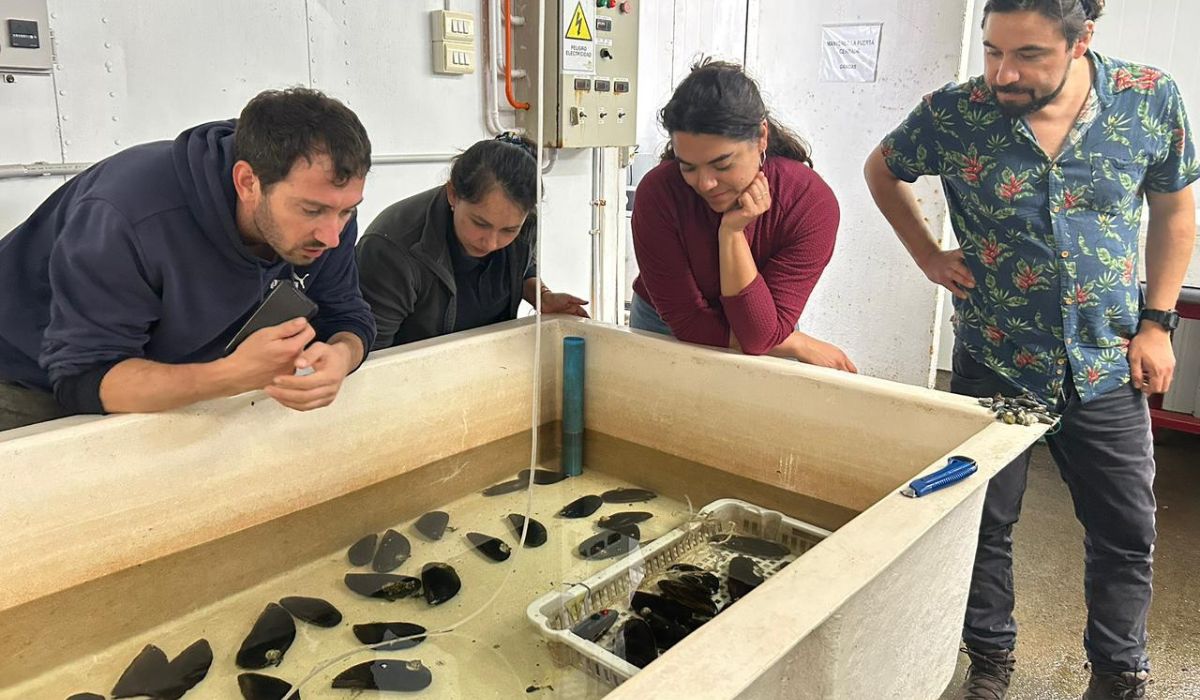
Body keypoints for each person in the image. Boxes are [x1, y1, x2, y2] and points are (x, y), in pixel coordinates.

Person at [863, 1, 1195, 697]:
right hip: (996, 356)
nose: (1002, 73)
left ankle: (1117, 672)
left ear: (1082, 42)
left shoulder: (1148, 99)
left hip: (1107, 362)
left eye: (1029, 56)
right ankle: (989, 659)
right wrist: (926, 254)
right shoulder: (955, 114)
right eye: (992, 51)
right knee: (984, 521)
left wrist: (1158, 323)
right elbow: (882, 169)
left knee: (1126, 529)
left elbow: (1173, 210)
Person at [0, 87, 377, 432]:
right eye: (311, 210)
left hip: (171, 369)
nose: (332, 236)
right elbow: (85, 377)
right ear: (248, 183)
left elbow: (345, 314)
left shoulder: (330, 212)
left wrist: (341, 356)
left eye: (346, 212)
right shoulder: (128, 214)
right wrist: (229, 375)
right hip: (26, 375)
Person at [629, 59, 856, 371]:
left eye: (722, 165)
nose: (705, 183)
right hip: (665, 323)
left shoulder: (808, 203)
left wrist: (732, 234)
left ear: (762, 136)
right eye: (688, 166)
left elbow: (759, 334)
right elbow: (689, 324)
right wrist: (796, 343)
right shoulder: (659, 194)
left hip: (763, 325)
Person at [356, 133, 587, 350]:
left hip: (488, 364)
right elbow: (374, 357)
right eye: (480, 224)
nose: (491, 243)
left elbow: (522, 268)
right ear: (453, 194)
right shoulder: (389, 249)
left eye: (508, 230)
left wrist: (542, 297)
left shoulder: (526, 224)